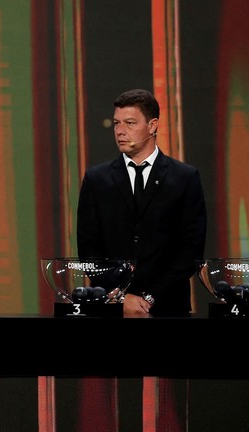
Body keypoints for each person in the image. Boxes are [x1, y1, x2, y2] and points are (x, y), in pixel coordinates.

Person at [77, 88, 207, 317]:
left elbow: (190, 250)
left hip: (168, 307)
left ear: (153, 125)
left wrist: (148, 298)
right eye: (117, 123)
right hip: (113, 308)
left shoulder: (184, 178)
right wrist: (121, 297)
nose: (120, 131)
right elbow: (89, 251)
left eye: (129, 123)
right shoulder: (97, 179)